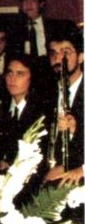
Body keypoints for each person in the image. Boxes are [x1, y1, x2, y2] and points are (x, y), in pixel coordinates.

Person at [0, 53, 51, 199]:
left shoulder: (42, 112)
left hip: (30, 188)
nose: (12, 79)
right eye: (9, 72)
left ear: (32, 78)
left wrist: (10, 164)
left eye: (20, 74)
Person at [44, 29, 84, 187]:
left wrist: (82, 170)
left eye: (65, 52)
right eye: (53, 53)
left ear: (81, 57)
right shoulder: (45, 93)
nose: (58, 59)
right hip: (49, 177)